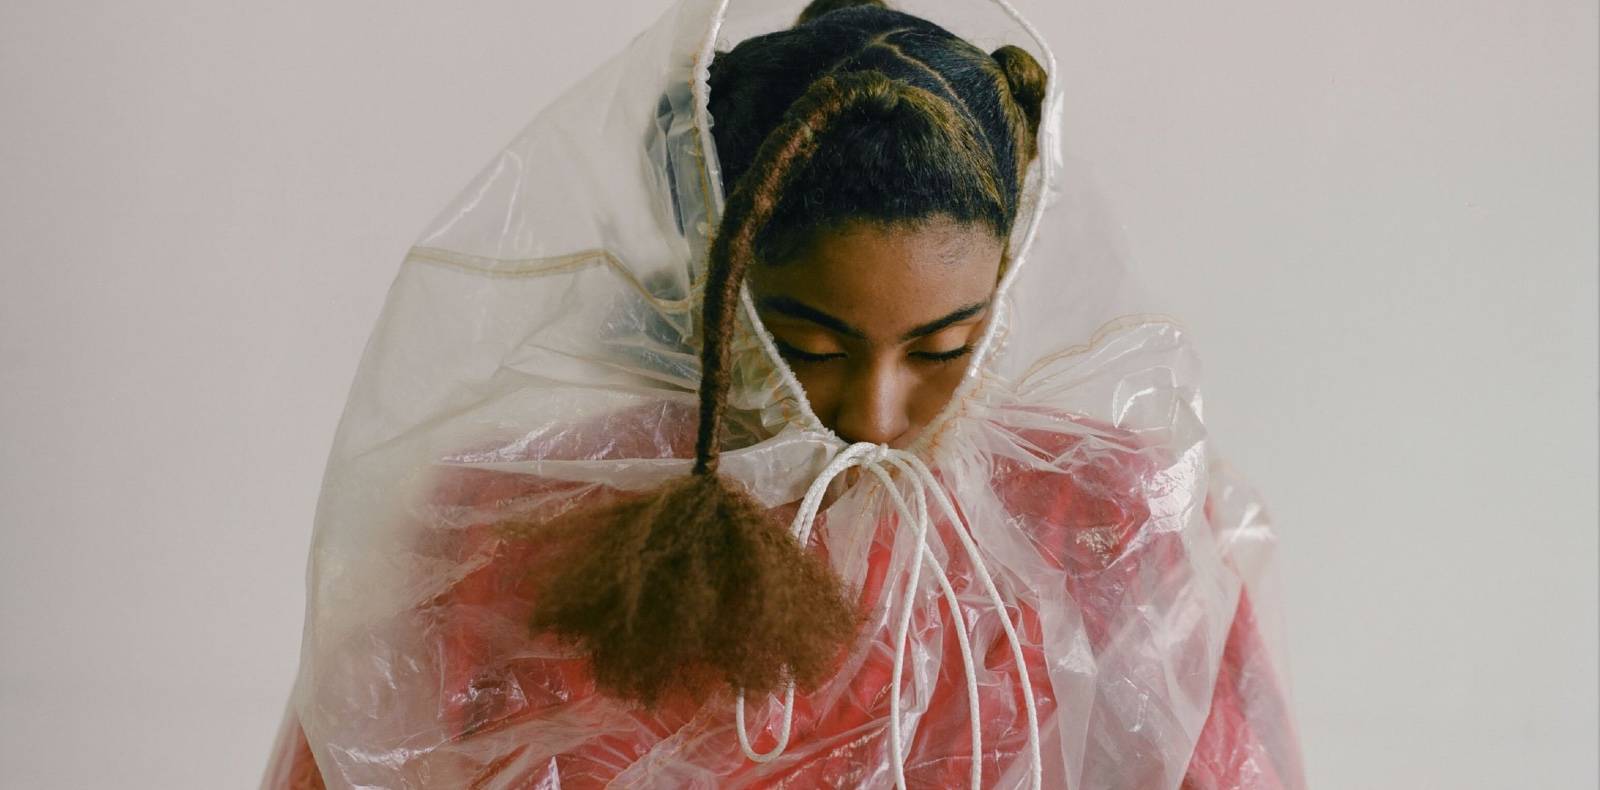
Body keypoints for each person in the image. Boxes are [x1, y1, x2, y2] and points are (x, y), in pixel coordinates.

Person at [263, 0, 1307, 787]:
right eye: (807, 346)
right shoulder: (514, 532)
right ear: (715, 283)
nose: (876, 417)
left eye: (945, 347)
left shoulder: (1106, 527)